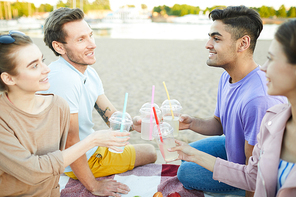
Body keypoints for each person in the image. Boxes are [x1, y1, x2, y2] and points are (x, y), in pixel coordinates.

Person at [170, 18, 296, 197]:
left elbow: (252, 175)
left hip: (244, 163)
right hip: (235, 150)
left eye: (216, 38)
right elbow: (219, 125)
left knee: (186, 172)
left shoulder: (259, 100)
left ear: (243, 43)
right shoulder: (228, 79)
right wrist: (191, 124)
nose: (208, 45)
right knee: (186, 157)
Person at [42, 7, 157, 196]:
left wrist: (133, 124)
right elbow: (70, 142)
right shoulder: (63, 78)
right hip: (72, 160)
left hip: (89, 147)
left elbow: (110, 115)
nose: (92, 44)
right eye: (81, 39)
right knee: (150, 152)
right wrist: (93, 186)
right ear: (59, 47)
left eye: (90, 35)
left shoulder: (88, 72)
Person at [0, 31, 130, 196]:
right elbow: (34, 172)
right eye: (34, 66)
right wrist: (93, 140)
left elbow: (56, 166)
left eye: (43, 60)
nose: (46, 69)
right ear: (9, 78)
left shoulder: (58, 106)